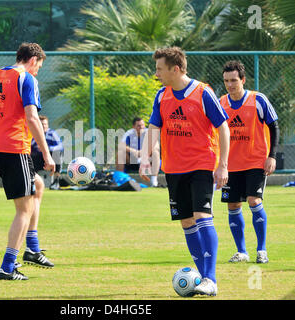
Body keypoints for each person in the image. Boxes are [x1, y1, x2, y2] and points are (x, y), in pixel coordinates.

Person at [139, 47, 230, 296]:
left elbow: (223, 127)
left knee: (202, 217)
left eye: (159, 68)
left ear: (175, 69)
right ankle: (203, 279)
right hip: (174, 168)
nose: (156, 73)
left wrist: (222, 165)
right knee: (187, 221)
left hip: (202, 165)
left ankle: (210, 279)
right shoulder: (162, 95)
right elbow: (154, 128)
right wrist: (145, 159)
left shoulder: (203, 93)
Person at [0, 42, 56, 281]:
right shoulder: (26, 79)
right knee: (23, 210)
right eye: (39, 67)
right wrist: (46, 153)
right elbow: (32, 117)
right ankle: (8, 266)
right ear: (33, 60)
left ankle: (33, 249)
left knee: (37, 186)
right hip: (14, 149)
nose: (38, 72)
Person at [220, 60, 279, 264]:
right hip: (230, 165)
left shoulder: (258, 100)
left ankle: (261, 250)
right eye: (226, 81)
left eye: (234, 80)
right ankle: (241, 251)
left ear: (243, 80)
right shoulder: (221, 103)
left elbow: (274, 126)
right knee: (233, 205)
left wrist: (272, 156)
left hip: (255, 162)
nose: (230, 84)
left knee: (254, 201)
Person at [116, 117, 160, 187]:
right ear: (133, 127)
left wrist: (144, 152)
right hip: (133, 161)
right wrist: (134, 151)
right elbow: (121, 146)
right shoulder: (129, 133)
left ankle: (154, 181)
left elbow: (156, 146)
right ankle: (120, 179)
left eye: (143, 125)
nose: (141, 127)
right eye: (139, 126)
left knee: (155, 152)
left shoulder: (149, 132)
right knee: (120, 153)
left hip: (147, 160)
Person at [31, 115, 63, 190]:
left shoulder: (52, 134)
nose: (44, 126)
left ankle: (56, 182)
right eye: (42, 124)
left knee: (57, 153)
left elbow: (60, 147)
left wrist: (47, 149)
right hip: (36, 158)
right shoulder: (32, 133)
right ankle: (31, 182)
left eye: (45, 124)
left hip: (50, 159)